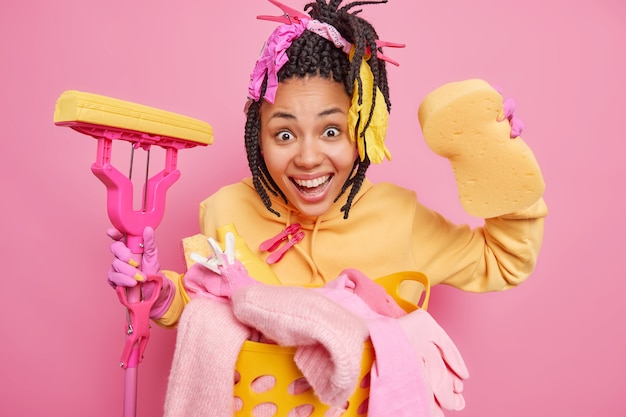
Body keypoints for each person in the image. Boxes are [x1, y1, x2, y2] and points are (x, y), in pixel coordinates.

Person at [107, 0, 548, 415]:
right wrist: (159, 295)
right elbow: (208, 304)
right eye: (284, 134)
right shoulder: (226, 209)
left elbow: (503, 260)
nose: (308, 157)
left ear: (362, 128)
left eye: (331, 131)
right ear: (257, 135)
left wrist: (499, 169)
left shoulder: (399, 218)